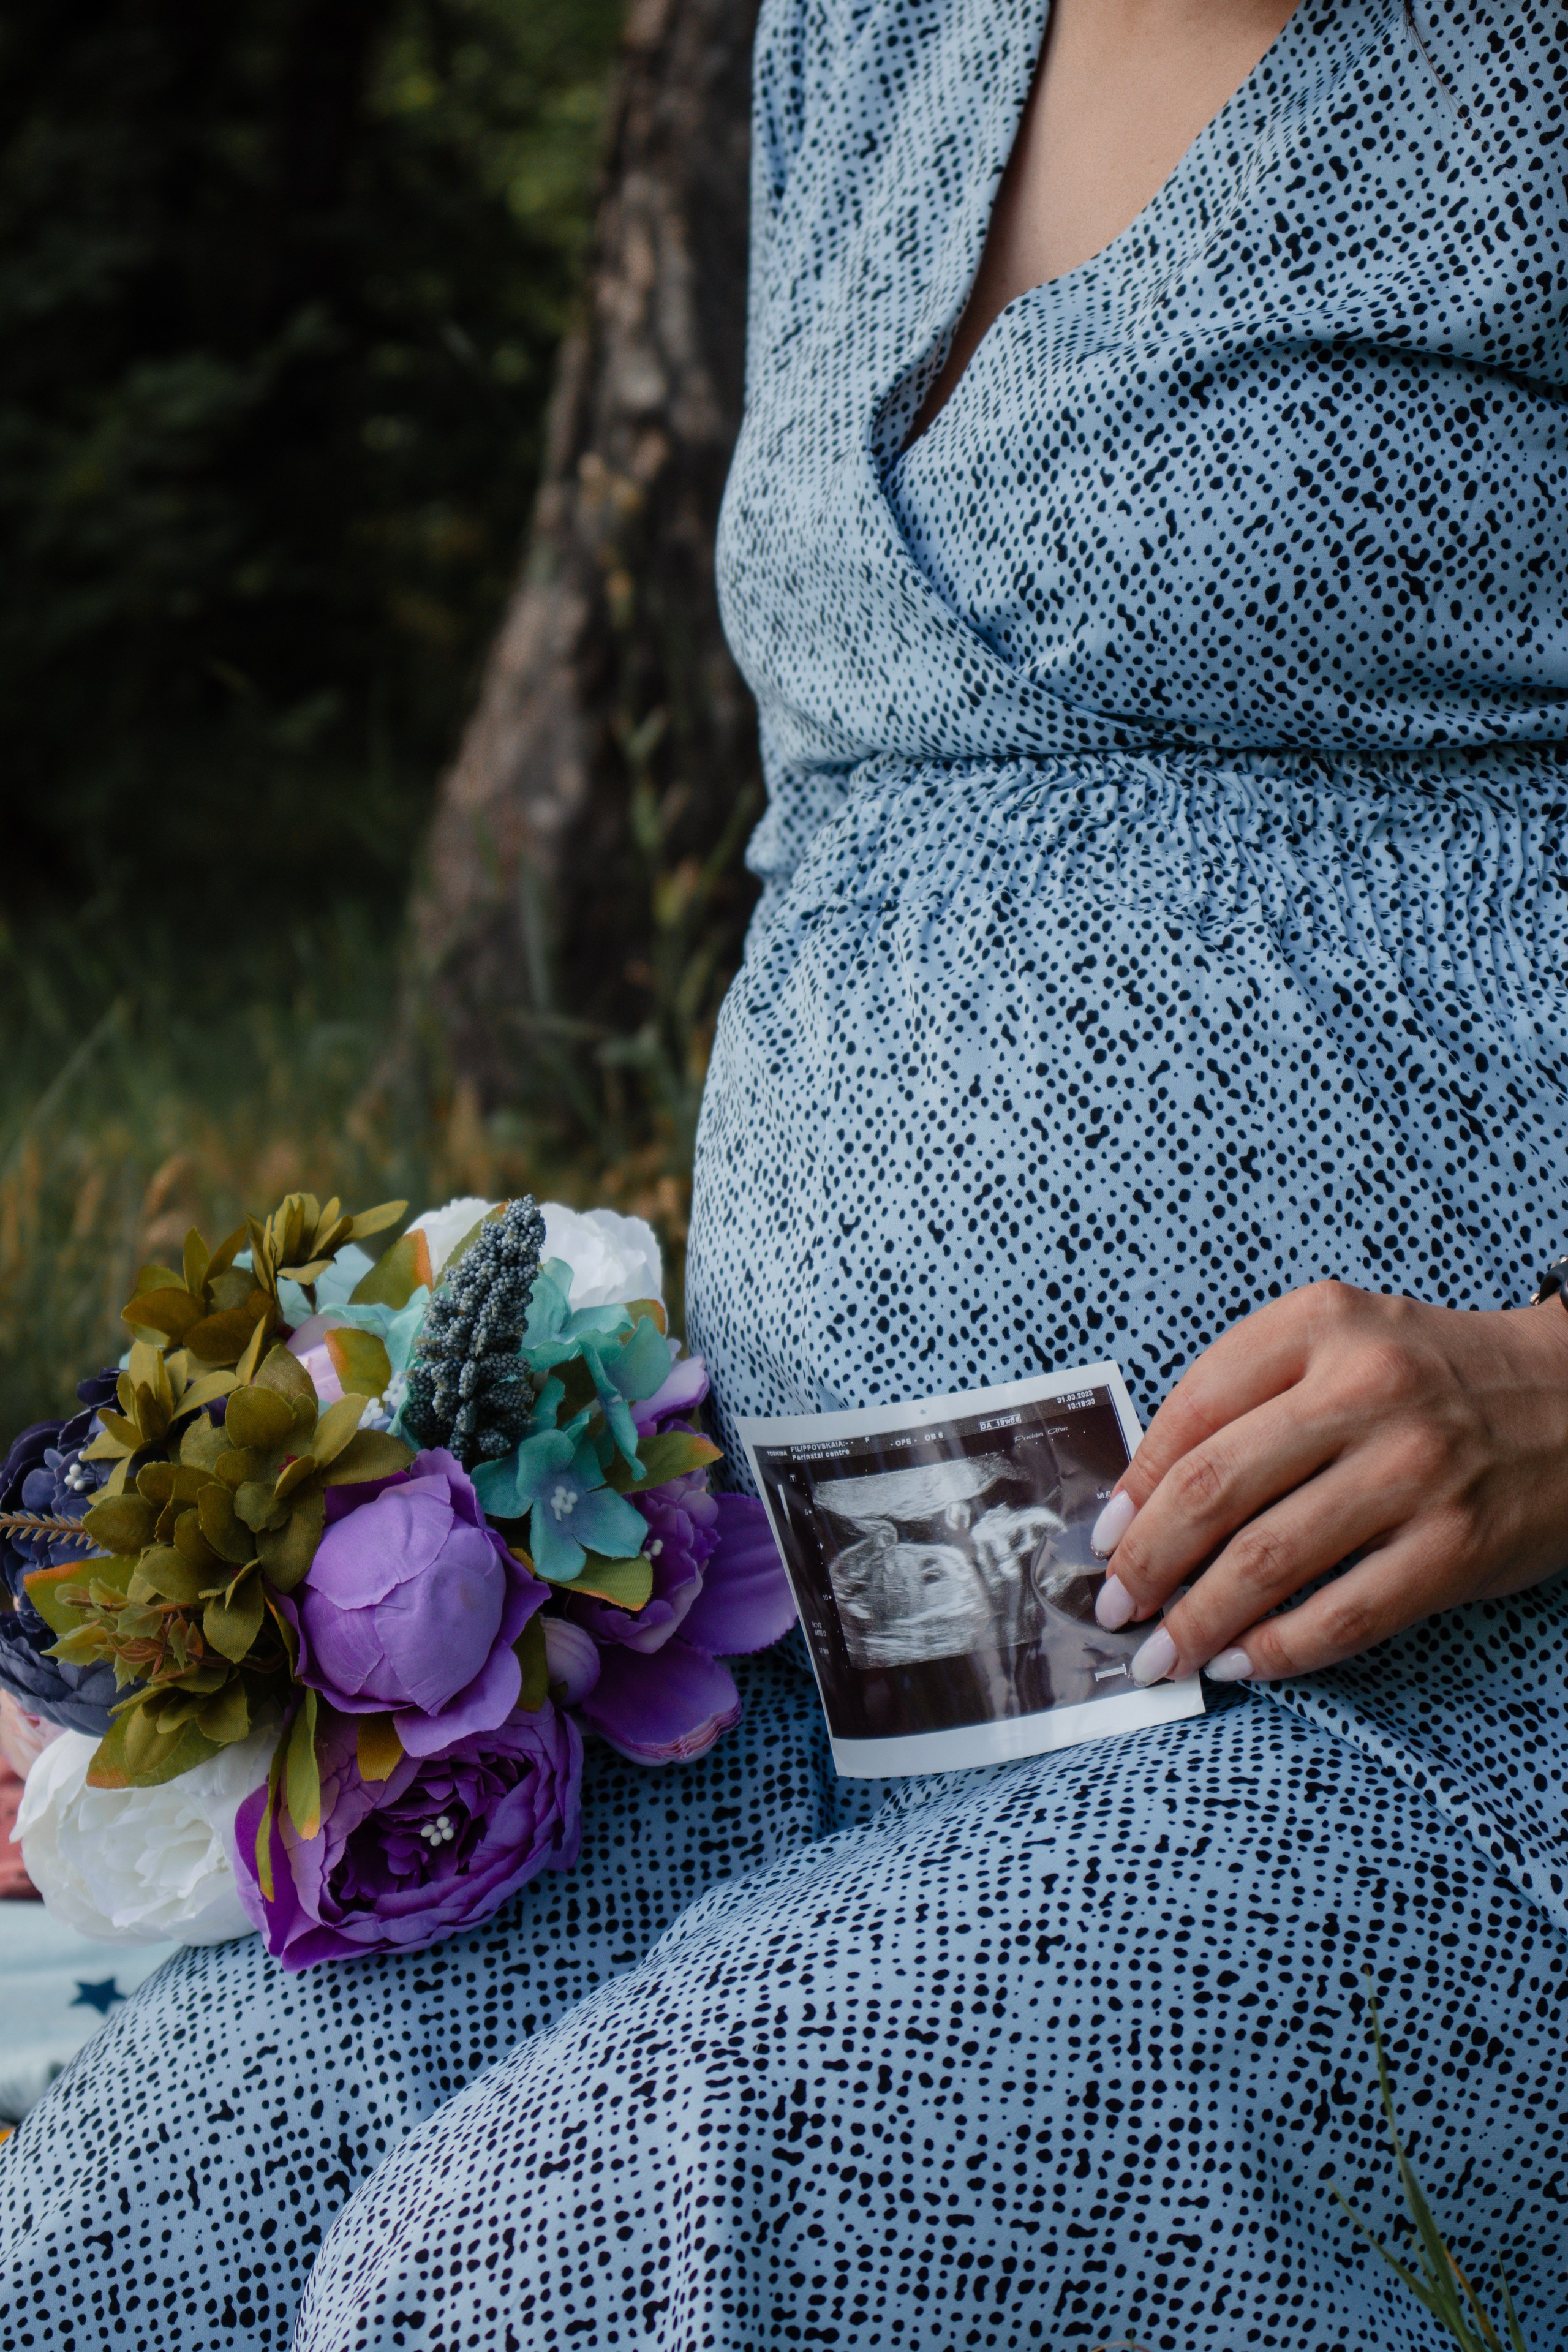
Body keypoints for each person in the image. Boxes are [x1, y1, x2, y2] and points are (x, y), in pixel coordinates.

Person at [4, 0, 1567, 2345]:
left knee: (536, 2283)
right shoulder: (872, 32)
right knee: (123, 2239)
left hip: (1424, 1713)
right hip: (813, 1664)